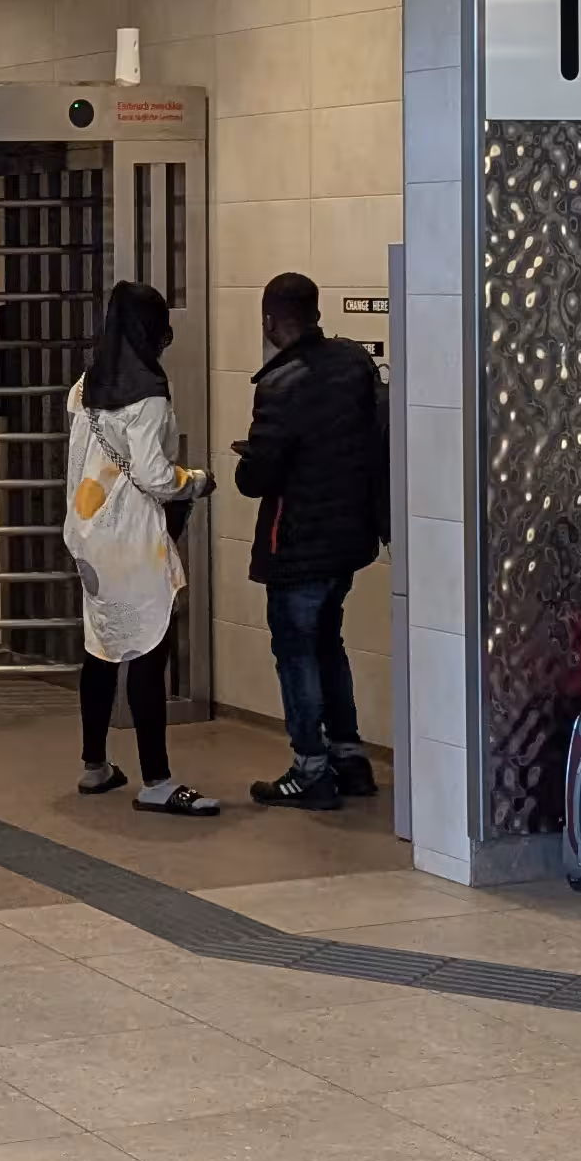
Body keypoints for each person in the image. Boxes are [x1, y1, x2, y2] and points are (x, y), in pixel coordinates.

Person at [230, 271, 387, 812]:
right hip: (350, 538)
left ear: (271, 320)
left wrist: (247, 460)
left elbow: (258, 479)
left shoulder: (279, 385)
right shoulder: (353, 362)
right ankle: (350, 758)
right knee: (329, 643)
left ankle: (310, 769)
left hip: (297, 545)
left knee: (296, 653)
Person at [62, 281, 217, 813]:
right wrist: (195, 480)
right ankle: (157, 781)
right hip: (132, 539)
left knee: (100, 646)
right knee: (150, 650)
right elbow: (154, 476)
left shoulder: (86, 386)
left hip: (88, 537)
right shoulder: (147, 393)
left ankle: (94, 765)